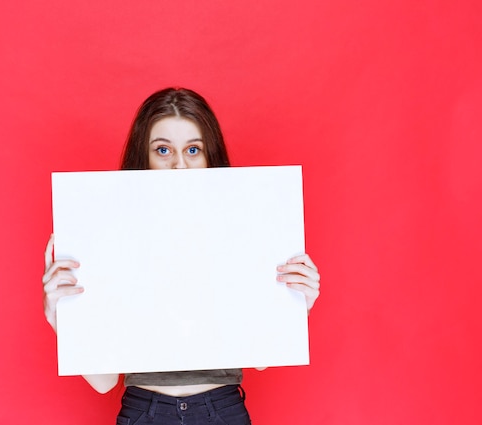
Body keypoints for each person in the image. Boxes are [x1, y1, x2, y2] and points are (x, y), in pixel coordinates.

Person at [42, 87, 321, 425]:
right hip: (143, 410)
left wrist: (294, 304)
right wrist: (61, 317)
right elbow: (104, 383)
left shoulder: (242, 228)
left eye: (193, 149)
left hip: (222, 409)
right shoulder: (111, 234)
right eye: (162, 150)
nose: (178, 165)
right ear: (143, 158)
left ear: (209, 157)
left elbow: (260, 358)